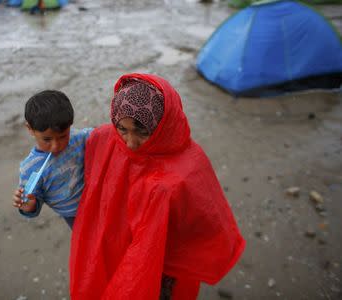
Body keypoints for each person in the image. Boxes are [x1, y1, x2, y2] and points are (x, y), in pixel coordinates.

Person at [69, 74, 245, 299]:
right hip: (116, 250)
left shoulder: (190, 166)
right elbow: (62, 151)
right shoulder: (106, 139)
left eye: (142, 132)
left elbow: (208, 221)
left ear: (162, 125)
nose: (131, 143)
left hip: (164, 266)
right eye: (123, 129)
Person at [12, 90, 92, 229]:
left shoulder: (78, 138)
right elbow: (33, 200)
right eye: (47, 139)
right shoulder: (30, 169)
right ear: (30, 128)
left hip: (96, 200)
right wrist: (28, 206)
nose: (56, 146)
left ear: (70, 126)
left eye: (62, 136)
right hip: (73, 216)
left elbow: (101, 137)